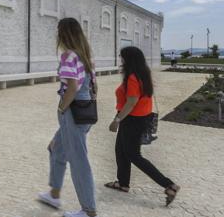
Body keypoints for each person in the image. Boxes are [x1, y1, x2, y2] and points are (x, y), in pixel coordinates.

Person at [38, 17, 99, 217]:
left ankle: (88, 210)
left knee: (79, 160)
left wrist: (62, 108)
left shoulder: (68, 56)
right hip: (86, 109)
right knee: (55, 147)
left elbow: (72, 87)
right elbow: (94, 87)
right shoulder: (87, 57)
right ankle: (54, 194)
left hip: (72, 112)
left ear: (63, 33)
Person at [104, 46, 180, 206]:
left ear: (129, 59)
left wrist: (116, 120)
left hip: (132, 119)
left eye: (122, 57)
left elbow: (131, 102)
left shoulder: (132, 77)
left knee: (133, 155)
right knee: (120, 150)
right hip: (140, 118)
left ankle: (169, 185)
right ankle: (122, 183)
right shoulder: (143, 74)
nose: (120, 60)